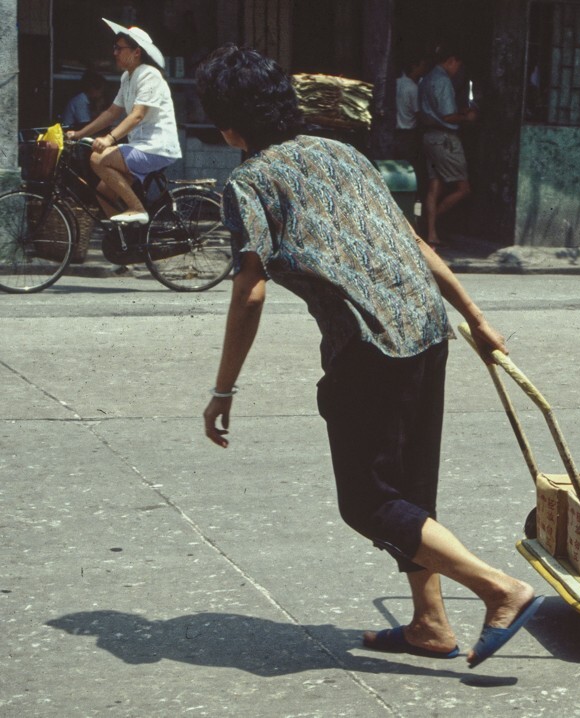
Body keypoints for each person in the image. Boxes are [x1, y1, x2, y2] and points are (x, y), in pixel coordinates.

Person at [196, 45, 543, 669]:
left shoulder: (250, 182)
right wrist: (476, 317)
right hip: (427, 331)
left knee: (367, 501)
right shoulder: (344, 153)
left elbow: (250, 291)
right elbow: (412, 241)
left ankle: (500, 590)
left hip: (371, 347)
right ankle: (431, 624)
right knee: (411, 487)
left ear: (228, 128)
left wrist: (223, 391)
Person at [65, 19, 182, 224]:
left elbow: (137, 115)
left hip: (156, 147)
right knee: (104, 191)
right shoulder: (128, 78)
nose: (114, 53)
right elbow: (111, 112)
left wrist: (109, 139)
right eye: (114, 48)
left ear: (136, 52)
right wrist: (80, 134)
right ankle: (127, 239)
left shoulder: (149, 75)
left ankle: (137, 208)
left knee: (98, 159)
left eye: (119, 48)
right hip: (141, 146)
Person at [417, 46, 476, 248]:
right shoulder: (442, 80)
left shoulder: (426, 78)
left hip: (430, 138)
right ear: (451, 60)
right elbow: (447, 116)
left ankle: (432, 234)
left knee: (435, 186)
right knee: (463, 188)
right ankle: (426, 224)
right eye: (457, 65)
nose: (457, 70)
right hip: (444, 139)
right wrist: (466, 116)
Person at [395, 53, 430, 198]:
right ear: (414, 66)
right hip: (409, 134)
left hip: (396, 133)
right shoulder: (412, 88)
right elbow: (418, 113)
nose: (424, 69)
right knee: (411, 171)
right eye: (422, 66)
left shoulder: (396, 82)